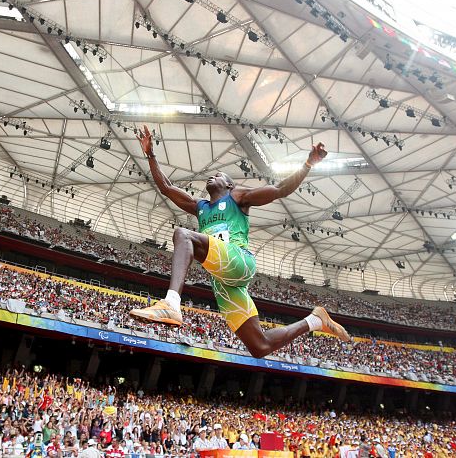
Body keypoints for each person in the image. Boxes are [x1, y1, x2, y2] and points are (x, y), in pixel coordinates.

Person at [130, 125, 350, 358]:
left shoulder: (238, 198)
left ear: (229, 185)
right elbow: (166, 187)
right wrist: (151, 155)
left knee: (183, 234)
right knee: (259, 346)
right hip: (223, 282)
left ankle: (171, 303)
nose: (212, 176)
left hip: (238, 261)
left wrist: (308, 164)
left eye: (219, 175)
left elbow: (279, 189)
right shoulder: (200, 207)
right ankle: (315, 321)